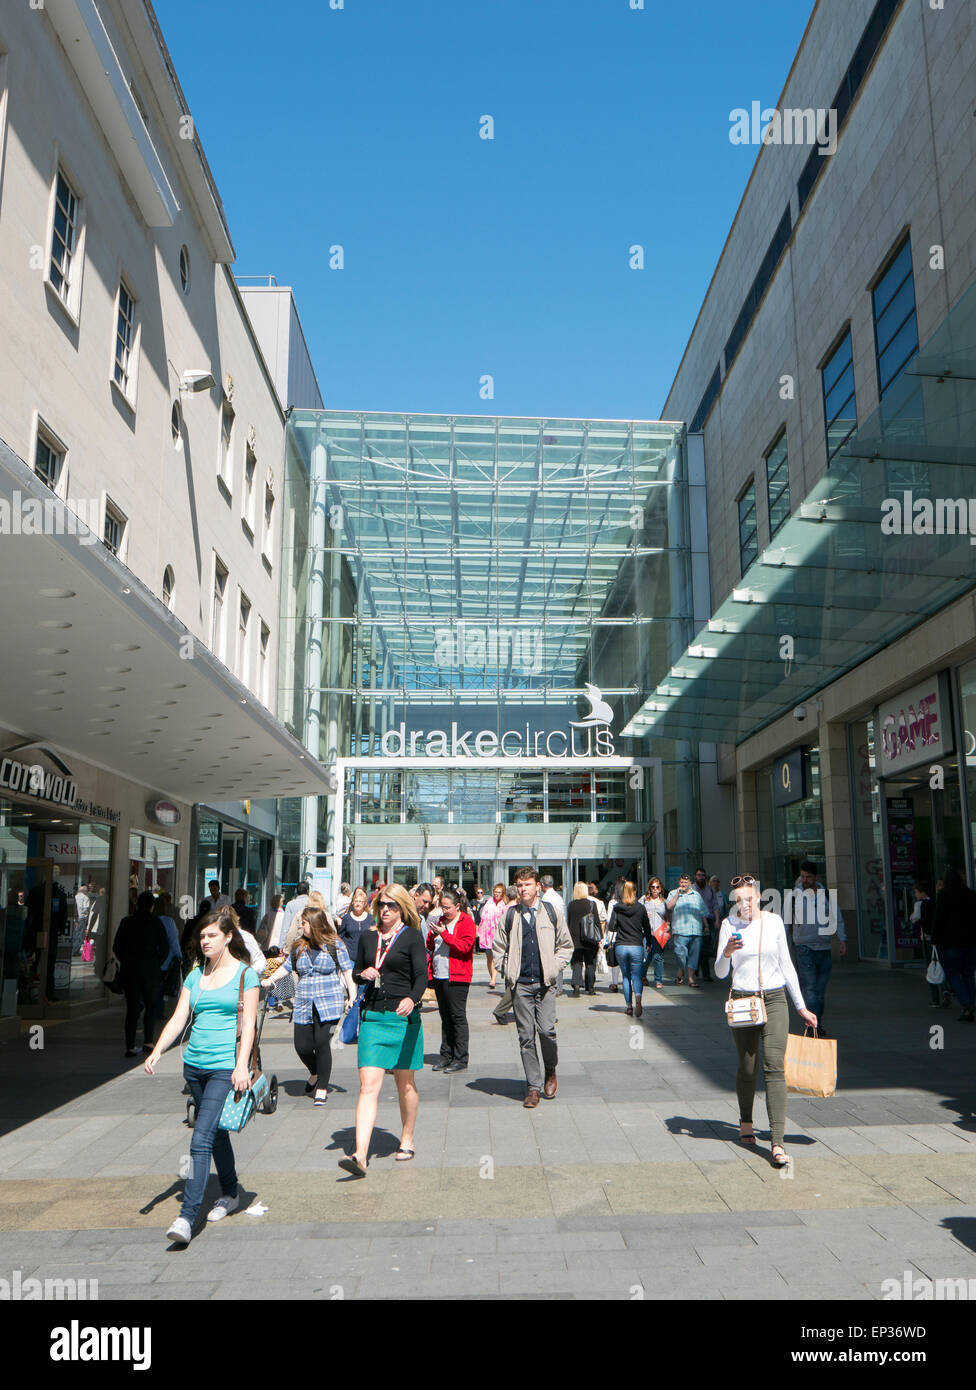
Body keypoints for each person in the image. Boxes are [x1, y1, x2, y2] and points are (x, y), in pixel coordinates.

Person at [145, 908, 259, 1245]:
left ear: (227, 937)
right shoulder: (196, 975)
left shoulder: (245, 976)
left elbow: (249, 1025)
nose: (204, 941)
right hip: (193, 1067)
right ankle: (230, 1191)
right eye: (202, 936)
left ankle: (186, 1217)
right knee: (216, 1132)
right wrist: (157, 1049)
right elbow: (180, 1017)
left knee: (200, 1139)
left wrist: (241, 1066)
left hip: (225, 1068)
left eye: (211, 935)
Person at [715, 874, 817, 1167]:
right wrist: (726, 953)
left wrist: (801, 1006)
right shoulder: (728, 925)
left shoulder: (773, 923)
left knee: (774, 1067)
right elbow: (721, 972)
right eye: (739, 901)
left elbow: (786, 964)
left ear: (759, 897)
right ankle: (746, 1122)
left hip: (773, 999)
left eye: (749, 899)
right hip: (743, 1002)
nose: (744, 905)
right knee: (747, 1067)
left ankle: (777, 1142)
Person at [339, 883, 428, 1176]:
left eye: (391, 905)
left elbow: (421, 977)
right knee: (368, 1087)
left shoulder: (413, 936)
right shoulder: (368, 937)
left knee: (405, 1084)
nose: (385, 910)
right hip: (374, 1017)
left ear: (402, 908)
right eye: (382, 905)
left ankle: (407, 1138)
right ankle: (360, 1154)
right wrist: (361, 974)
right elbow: (356, 971)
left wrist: (411, 999)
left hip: (403, 1019)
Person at [492, 867, 573, 1108]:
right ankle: (534, 1087)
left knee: (547, 1031)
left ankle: (550, 1069)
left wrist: (554, 967)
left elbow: (566, 945)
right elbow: (498, 948)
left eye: (527, 884)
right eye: (519, 884)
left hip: (545, 984)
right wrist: (508, 970)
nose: (523, 888)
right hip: (521, 986)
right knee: (526, 1037)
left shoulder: (551, 912)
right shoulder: (510, 915)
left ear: (538, 886)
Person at [264, 908, 355, 1104]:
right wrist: (270, 979)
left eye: (303, 923)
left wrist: (352, 996)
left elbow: (347, 970)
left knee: (322, 1043)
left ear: (313, 924)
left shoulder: (335, 945)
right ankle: (315, 1072)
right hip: (304, 1001)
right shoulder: (299, 946)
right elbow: (287, 967)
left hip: (329, 1002)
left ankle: (322, 1086)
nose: (300, 926)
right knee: (302, 1046)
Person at [791, 860, 846, 1037]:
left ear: (816, 877)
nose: (804, 880)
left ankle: (816, 1023)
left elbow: (837, 917)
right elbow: (785, 922)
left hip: (824, 947)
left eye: (808, 877)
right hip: (804, 947)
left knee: (820, 992)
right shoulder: (794, 895)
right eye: (802, 876)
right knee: (811, 989)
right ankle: (813, 1027)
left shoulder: (826, 895)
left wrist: (842, 939)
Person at [113, 891, 169, 1056]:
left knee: (132, 1008)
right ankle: (148, 1042)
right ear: (152, 906)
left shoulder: (127, 922)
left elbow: (117, 947)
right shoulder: (156, 923)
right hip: (150, 970)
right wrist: (156, 963)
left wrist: (126, 960)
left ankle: (130, 1046)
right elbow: (165, 947)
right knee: (150, 1006)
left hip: (130, 970)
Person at [427, 888, 477, 1072]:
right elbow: (430, 945)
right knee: (445, 1016)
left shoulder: (466, 922)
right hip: (440, 974)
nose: (444, 911)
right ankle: (446, 1055)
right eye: (442, 907)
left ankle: (461, 1057)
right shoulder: (441, 921)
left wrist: (445, 934)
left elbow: (464, 947)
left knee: (457, 1016)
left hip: (457, 976)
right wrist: (433, 935)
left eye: (448, 908)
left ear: (457, 906)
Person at [932, 867, 976, 1023]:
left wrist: (934, 939)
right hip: (971, 942)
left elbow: (939, 918)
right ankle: (971, 1004)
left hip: (951, 942)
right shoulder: (971, 894)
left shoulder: (944, 896)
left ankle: (967, 1005)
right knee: (968, 974)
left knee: (953, 974)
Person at [609, 881, 653, 1017]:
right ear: (634, 892)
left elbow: (611, 927)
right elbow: (646, 927)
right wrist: (649, 942)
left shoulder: (617, 908)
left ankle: (628, 1006)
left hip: (621, 945)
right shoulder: (640, 908)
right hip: (636, 945)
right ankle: (638, 997)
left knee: (626, 976)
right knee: (637, 976)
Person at [666, 873, 708, 987]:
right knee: (680, 954)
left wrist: (706, 925)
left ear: (690, 883)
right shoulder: (672, 893)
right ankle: (681, 969)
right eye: (681, 882)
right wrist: (677, 895)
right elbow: (668, 907)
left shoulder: (696, 895)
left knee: (694, 956)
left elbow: (703, 912)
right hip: (680, 930)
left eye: (686, 882)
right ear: (679, 883)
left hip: (695, 930)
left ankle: (690, 979)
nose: (683, 884)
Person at [912, 881, 943, 1007]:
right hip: (939, 938)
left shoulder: (920, 904)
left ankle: (935, 998)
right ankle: (946, 989)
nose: (915, 895)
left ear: (921, 892)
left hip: (927, 938)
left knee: (931, 967)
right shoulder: (935, 902)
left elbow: (914, 918)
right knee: (940, 964)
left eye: (916, 892)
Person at [567, 881, 601, 996]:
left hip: (575, 937)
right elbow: (596, 922)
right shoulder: (592, 904)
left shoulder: (571, 905)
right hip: (589, 937)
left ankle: (576, 985)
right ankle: (590, 988)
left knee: (577, 962)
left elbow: (569, 921)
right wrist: (599, 937)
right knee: (590, 962)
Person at [153, 892, 182, 1014]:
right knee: (160, 987)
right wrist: (179, 955)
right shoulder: (168, 921)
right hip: (165, 960)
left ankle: (150, 1009)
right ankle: (158, 1011)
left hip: (151, 959)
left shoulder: (151, 920)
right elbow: (173, 940)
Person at [641, 878, 669, 989]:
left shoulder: (664, 902)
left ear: (661, 888)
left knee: (658, 957)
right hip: (646, 932)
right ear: (650, 888)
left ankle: (658, 980)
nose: (655, 889)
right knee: (646, 957)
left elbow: (667, 917)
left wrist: (668, 926)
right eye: (653, 887)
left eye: (657, 887)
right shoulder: (644, 900)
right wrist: (643, 915)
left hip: (659, 933)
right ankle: (643, 976)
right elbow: (637, 910)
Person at [478, 884, 507, 990]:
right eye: (495, 891)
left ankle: (493, 979)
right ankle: (492, 977)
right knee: (489, 957)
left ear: (502, 893)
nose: (497, 894)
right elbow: (482, 917)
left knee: (495, 957)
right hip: (487, 934)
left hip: (497, 935)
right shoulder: (488, 902)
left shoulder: (504, 905)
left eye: (499, 892)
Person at [694, 868, 720, 982]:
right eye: (699, 875)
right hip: (695, 920)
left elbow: (715, 906)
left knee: (708, 947)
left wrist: (717, 920)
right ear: (695, 876)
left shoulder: (710, 890)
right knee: (697, 946)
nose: (701, 877)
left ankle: (700, 968)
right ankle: (701, 970)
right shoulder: (692, 889)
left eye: (703, 875)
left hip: (709, 920)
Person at [339, 886, 372, 961]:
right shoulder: (346, 918)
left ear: (365, 904)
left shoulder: (370, 919)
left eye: (360, 901)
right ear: (352, 903)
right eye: (356, 901)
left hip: (366, 958)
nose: (358, 904)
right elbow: (341, 937)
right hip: (350, 958)